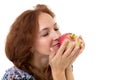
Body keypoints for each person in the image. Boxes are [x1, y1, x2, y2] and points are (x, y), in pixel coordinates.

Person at [2, 4, 85, 80]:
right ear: (28, 45)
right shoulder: (14, 77)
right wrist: (58, 72)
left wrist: (68, 65)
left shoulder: (58, 65)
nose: (56, 36)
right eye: (45, 34)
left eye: (56, 29)